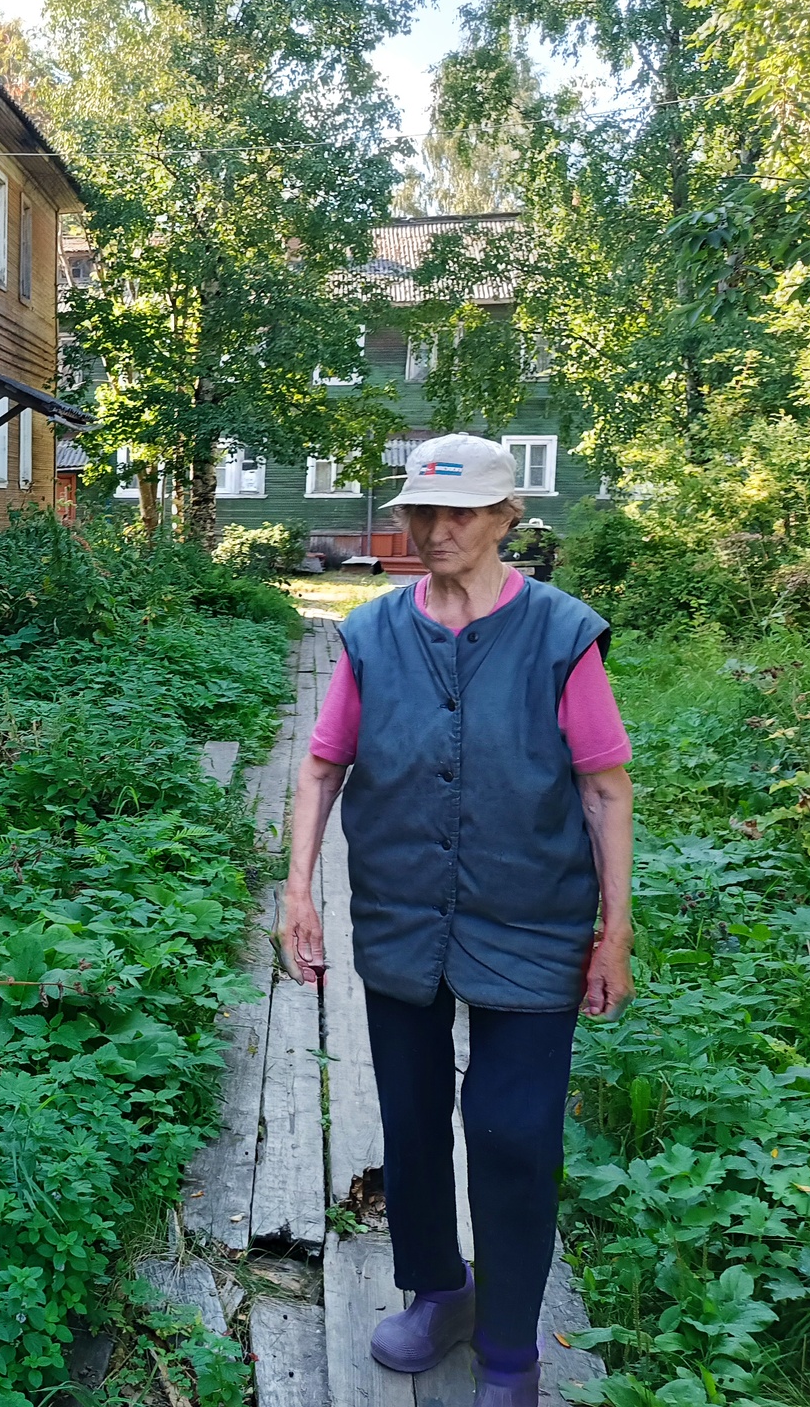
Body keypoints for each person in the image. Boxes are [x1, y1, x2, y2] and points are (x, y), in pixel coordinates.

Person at [277, 433, 635, 1407]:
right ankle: (439, 1289)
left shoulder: (559, 635)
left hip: (534, 921)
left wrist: (613, 930)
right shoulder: (375, 633)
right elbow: (319, 766)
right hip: (397, 914)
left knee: (511, 1131)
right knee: (408, 1120)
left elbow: (604, 789)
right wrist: (297, 888)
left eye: (460, 514)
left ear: (502, 522)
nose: (435, 532)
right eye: (420, 514)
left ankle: (511, 1348)